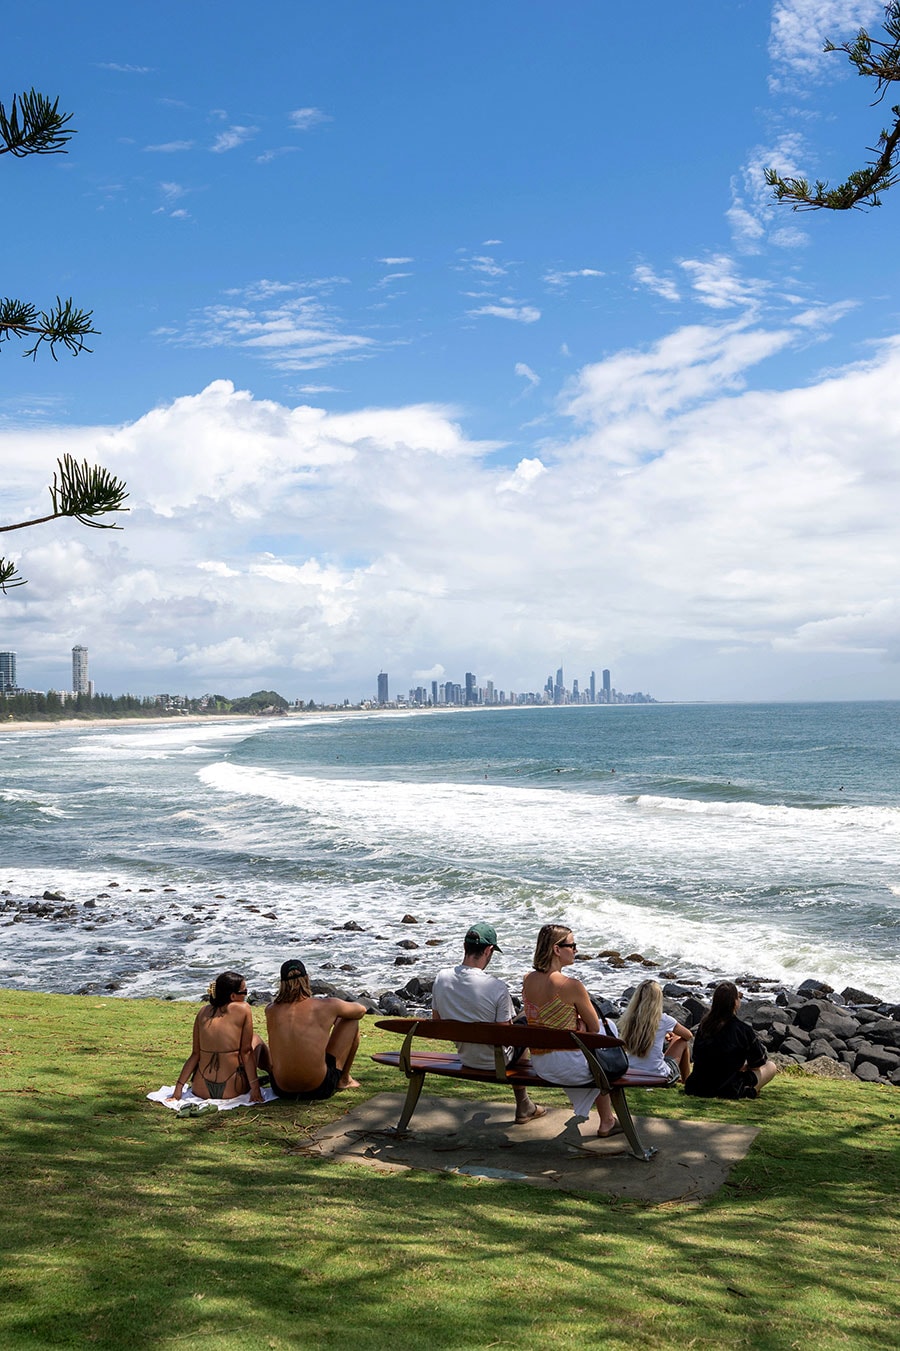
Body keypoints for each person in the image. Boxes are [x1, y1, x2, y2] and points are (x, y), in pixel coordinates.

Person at [432, 921, 545, 1125]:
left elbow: (437, 1023)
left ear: (465, 947)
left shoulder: (441, 978)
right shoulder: (496, 986)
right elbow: (507, 1035)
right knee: (525, 1022)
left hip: (466, 1057)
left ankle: (526, 1105)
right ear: (489, 950)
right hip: (497, 1062)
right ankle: (524, 1105)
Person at [522, 923, 622, 1137]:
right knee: (608, 1029)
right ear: (557, 950)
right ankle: (607, 1120)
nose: (576, 949)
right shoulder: (571, 985)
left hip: (541, 1064)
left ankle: (607, 1119)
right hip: (567, 1067)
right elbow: (595, 1027)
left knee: (590, 1049)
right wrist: (581, 1024)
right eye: (572, 945)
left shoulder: (527, 980)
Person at [265, 958, 366, 1101]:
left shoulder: (270, 1010)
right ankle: (344, 1080)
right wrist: (335, 1016)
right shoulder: (325, 1005)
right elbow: (361, 1010)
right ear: (306, 979)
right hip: (318, 1088)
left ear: (282, 984)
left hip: (282, 1089)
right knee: (351, 1020)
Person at [169, 970, 266, 1103]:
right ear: (232, 996)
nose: (246, 995)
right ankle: (275, 1075)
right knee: (256, 1040)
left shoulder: (202, 1012)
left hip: (201, 1088)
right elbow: (246, 1052)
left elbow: (195, 1055)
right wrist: (255, 1089)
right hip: (232, 1088)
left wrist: (178, 1090)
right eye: (244, 992)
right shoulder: (243, 1009)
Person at [684, 981, 779, 1099]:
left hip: (697, 1085)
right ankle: (751, 1091)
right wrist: (742, 1066)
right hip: (727, 1088)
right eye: (738, 997)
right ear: (735, 1003)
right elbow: (758, 1063)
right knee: (771, 1067)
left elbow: (698, 1056)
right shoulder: (743, 1030)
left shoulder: (704, 1026)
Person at [618, 979, 693, 1084]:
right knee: (682, 1041)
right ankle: (686, 1081)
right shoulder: (664, 1019)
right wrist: (672, 1034)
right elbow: (688, 1036)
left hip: (632, 1072)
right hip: (658, 1075)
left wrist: (665, 1034)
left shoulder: (628, 1018)